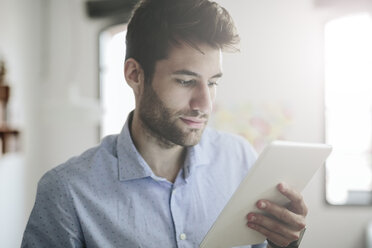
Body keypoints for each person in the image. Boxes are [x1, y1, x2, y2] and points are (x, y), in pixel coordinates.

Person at [21, 0, 307, 247]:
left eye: (212, 82)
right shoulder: (66, 192)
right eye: (186, 81)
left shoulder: (240, 158)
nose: (205, 104)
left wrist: (283, 244)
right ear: (134, 74)